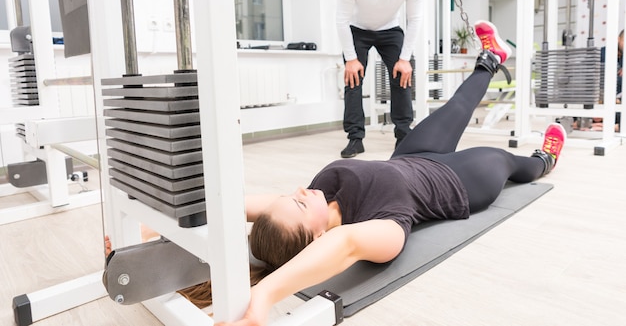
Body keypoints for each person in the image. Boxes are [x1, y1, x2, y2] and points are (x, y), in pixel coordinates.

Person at [188, 21, 565, 326]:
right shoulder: (377, 232)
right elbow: (344, 246)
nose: (300, 191)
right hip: (460, 184)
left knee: (458, 106)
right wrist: (264, 296)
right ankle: (544, 160)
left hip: (412, 154)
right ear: (318, 236)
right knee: (506, 161)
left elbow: (243, 206)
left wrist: (170, 219)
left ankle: (491, 58)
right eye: (299, 205)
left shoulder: (313, 199)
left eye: (292, 195)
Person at [336, 0, 425, 158]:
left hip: (389, 29)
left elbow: (415, 18)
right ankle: (355, 139)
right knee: (353, 80)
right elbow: (342, 19)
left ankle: (404, 137)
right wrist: (351, 59)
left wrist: (404, 59)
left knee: (402, 76)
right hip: (357, 29)